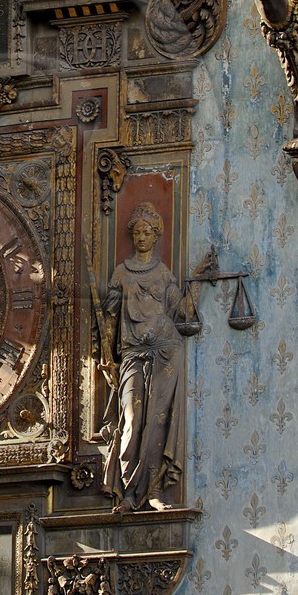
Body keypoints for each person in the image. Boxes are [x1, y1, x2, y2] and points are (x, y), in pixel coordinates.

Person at [102, 203, 194, 512]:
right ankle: (129, 492)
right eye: (137, 232)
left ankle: (153, 490)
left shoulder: (162, 273)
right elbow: (110, 320)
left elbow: (180, 312)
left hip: (166, 351)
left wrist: (196, 282)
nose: (142, 237)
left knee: (158, 421)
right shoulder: (122, 272)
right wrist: (108, 358)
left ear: (155, 236)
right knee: (131, 419)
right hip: (132, 353)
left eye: (147, 232)